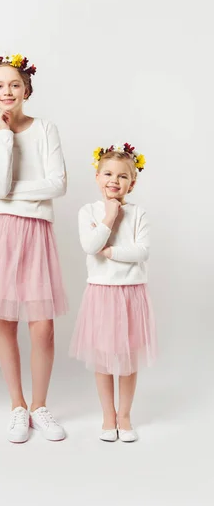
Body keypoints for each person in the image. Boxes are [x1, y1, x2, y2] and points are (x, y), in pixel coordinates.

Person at [0, 54, 68, 443]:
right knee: (5, 320)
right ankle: (17, 405)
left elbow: (57, 184)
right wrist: (5, 136)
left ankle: (40, 405)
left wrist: (3, 194)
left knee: (42, 328)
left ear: (27, 89)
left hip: (35, 230)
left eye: (14, 85)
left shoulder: (45, 129)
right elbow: (0, 180)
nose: (7, 91)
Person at [70, 143, 156, 442]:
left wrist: (111, 253)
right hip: (102, 293)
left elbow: (142, 252)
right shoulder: (89, 211)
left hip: (131, 293)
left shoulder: (139, 213)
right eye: (107, 174)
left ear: (132, 182)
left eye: (122, 177)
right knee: (105, 359)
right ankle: (108, 416)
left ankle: (125, 415)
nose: (114, 181)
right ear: (97, 177)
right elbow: (90, 246)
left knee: (128, 359)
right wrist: (109, 216)